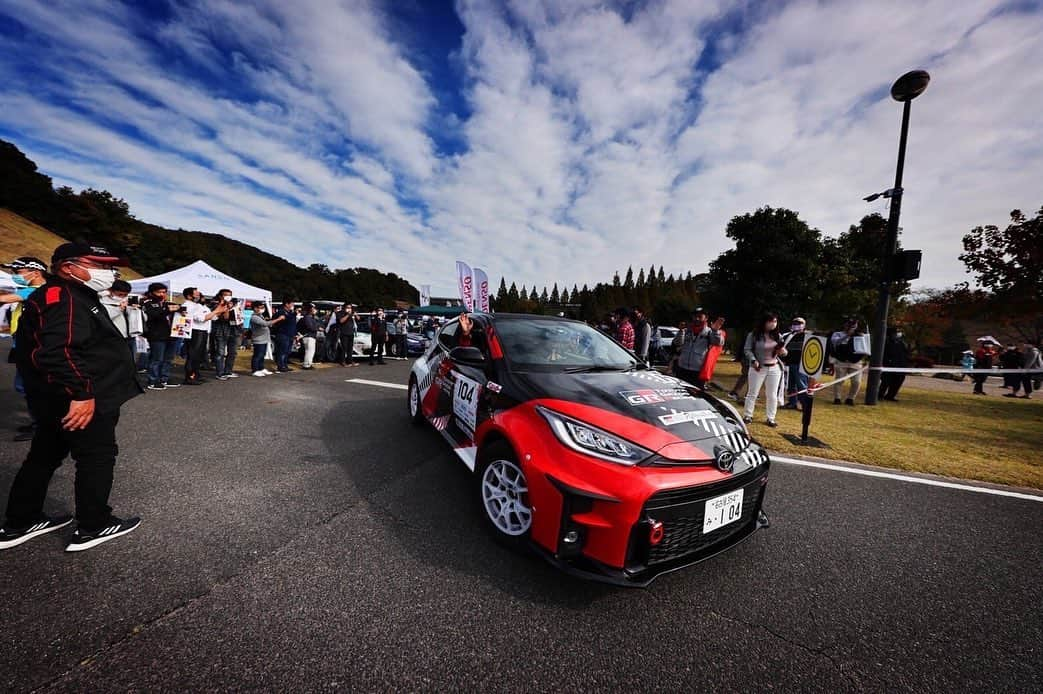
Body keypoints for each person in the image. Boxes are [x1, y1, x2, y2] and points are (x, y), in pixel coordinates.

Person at [0, 243, 142, 552]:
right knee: (96, 457)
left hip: (57, 396)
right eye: (99, 265)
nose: (108, 273)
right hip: (78, 397)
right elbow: (57, 351)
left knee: (45, 455)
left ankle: (20, 521)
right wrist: (81, 394)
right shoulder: (63, 297)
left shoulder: (74, 295)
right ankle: (94, 525)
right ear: (68, 266)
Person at [1, 257, 49, 441]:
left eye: (18, 272)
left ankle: (41, 424)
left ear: (36, 273)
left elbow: (3, 299)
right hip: (22, 344)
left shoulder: (35, 291)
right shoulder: (31, 290)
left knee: (30, 387)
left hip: (31, 347)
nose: (15, 276)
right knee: (26, 386)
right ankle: (39, 421)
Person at [741, 313, 787, 427]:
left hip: (774, 367)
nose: (773, 324)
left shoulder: (778, 336)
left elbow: (785, 352)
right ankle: (748, 415)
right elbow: (747, 350)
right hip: (758, 367)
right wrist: (753, 360)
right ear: (764, 322)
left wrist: (782, 351)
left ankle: (771, 418)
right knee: (753, 392)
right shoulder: (754, 335)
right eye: (771, 321)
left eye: (775, 322)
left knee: (772, 394)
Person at [141, 283, 181, 390]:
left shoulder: (168, 303)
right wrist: (168, 310)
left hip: (171, 334)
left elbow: (179, 310)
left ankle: (164, 378)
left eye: (164, 292)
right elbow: (155, 315)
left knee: (168, 359)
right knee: (156, 358)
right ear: (151, 293)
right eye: (159, 292)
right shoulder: (148, 303)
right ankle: (153, 380)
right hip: (156, 335)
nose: (162, 294)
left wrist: (181, 310)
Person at [182, 287, 226, 385]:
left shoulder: (197, 305)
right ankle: (190, 377)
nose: (199, 296)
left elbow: (211, 317)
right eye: (196, 295)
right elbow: (201, 319)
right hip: (195, 331)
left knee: (199, 355)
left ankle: (196, 374)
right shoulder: (188, 306)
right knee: (193, 355)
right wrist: (216, 310)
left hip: (203, 331)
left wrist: (219, 310)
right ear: (189, 296)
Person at [672, 308, 725, 388]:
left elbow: (719, 343)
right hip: (682, 368)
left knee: (695, 397)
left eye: (700, 317)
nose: (697, 319)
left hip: (697, 371)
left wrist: (715, 331)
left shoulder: (710, 332)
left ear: (706, 318)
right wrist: (681, 331)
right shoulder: (686, 330)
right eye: (695, 316)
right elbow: (677, 343)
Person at [829, 318, 867, 405]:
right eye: (849, 325)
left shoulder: (860, 336)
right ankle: (837, 398)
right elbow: (835, 342)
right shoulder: (837, 334)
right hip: (841, 361)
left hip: (855, 362)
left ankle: (850, 399)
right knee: (839, 381)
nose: (851, 327)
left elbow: (865, 348)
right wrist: (847, 335)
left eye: (854, 325)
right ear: (845, 325)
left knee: (856, 382)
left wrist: (860, 337)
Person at [209, 289, 240, 381]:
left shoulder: (233, 304)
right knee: (220, 352)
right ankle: (220, 372)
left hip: (233, 331)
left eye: (229, 295)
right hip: (221, 331)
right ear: (220, 296)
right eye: (225, 295)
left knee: (233, 352)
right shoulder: (216, 305)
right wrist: (227, 307)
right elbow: (225, 317)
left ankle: (228, 371)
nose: (228, 297)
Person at [780, 317, 807, 409]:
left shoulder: (807, 336)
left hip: (801, 364)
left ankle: (804, 405)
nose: (797, 325)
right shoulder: (787, 336)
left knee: (801, 385)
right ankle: (792, 402)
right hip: (788, 363)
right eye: (795, 323)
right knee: (790, 384)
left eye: (799, 323)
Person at [878, 327, 910, 401]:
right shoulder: (885, 342)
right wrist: (888, 362)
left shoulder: (901, 343)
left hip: (900, 367)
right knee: (886, 382)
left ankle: (890, 396)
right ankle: (880, 395)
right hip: (889, 366)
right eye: (895, 333)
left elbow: (905, 354)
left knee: (898, 381)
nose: (897, 334)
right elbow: (883, 355)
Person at [269, 298, 297, 373]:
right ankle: (280, 366)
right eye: (291, 303)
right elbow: (274, 323)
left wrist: (295, 334)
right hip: (282, 335)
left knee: (287, 351)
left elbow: (293, 325)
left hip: (290, 335)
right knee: (282, 351)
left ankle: (285, 365)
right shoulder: (280, 312)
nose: (292, 305)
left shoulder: (291, 313)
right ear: (286, 304)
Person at [249, 303, 274, 376]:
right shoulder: (254, 317)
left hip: (264, 339)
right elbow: (265, 324)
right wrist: (278, 319)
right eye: (260, 307)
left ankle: (261, 368)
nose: (263, 309)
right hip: (258, 339)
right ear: (255, 308)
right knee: (257, 355)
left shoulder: (260, 316)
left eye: (263, 307)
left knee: (262, 355)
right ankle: (255, 370)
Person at [297, 302, 320, 369]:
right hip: (308, 336)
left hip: (310, 336)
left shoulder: (310, 317)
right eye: (313, 308)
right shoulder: (307, 317)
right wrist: (317, 328)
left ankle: (308, 364)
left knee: (311, 351)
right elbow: (311, 327)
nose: (314, 310)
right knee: (309, 351)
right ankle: (306, 365)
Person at [335, 303, 357, 367]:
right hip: (343, 333)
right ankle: (343, 361)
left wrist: (355, 315)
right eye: (347, 307)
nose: (349, 309)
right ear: (344, 307)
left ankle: (350, 361)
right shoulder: (339, 313)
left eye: (350, 307)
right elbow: (341, 321)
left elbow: (358, 319)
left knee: (350, 348)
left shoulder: (352, 313)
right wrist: (348, 315)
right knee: (344, 348)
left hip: (351, 332)